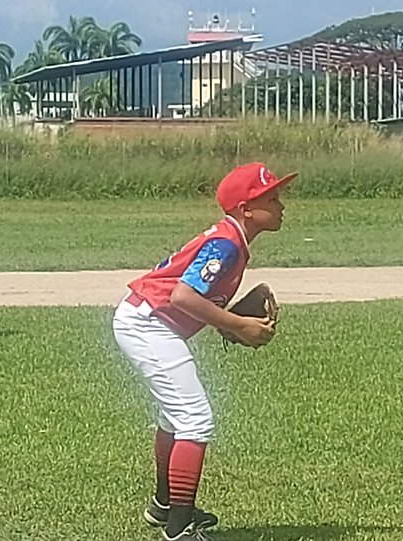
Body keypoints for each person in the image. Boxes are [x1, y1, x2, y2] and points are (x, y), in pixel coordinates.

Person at [112, 162, 294, 540]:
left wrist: (230, 315)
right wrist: (236, 324)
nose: (281, 205)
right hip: (148, 323)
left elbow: (188, 296)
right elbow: (183, 296)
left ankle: (165, 506)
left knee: (176, 418)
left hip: (147, 319)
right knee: (195, 419)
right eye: (271, 198)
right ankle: (180, 528)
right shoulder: (227, 244)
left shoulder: (231, 239)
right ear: (245, 208)